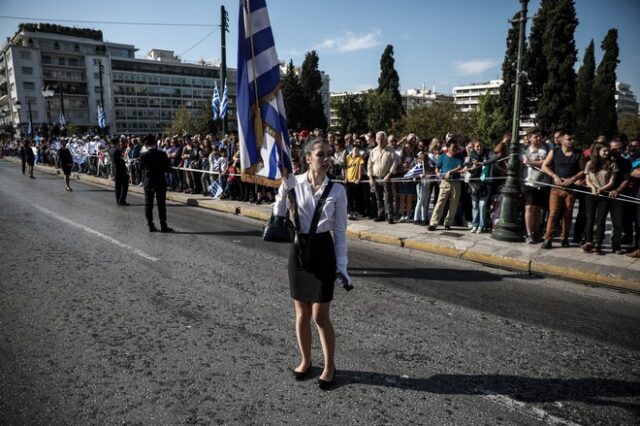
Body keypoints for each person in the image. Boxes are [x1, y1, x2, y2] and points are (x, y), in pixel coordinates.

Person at [273, 137, 350, 391]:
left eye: (330, 154)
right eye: (321, 154)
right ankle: (306, 360)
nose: (327, 158)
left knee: (320, 315)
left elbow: (340, 232)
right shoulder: (293, 182)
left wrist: (343, 266)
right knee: (302, 313)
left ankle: (329, 365)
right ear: (308, 158)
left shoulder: (337, 190)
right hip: (298, 250)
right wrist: (282, 190)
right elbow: (279, 216)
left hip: (323, 251)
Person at [541, 130, 585, 249]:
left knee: (567, 214)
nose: (572, 141)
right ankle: (548, 238)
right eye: (569, 139)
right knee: (553, 213)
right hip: (556, 188)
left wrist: (573, 178)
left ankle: (564, 238)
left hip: (570, 190)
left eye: (573, 139)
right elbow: (544, 166)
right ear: (561, 141)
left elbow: (583, 170)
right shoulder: (554, 152)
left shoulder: (578, 154)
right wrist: (554, 176)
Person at [583, 142, 618, 254]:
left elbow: (612, 181)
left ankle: (598, 244)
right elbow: (587, 180)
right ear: (597, 151)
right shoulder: (589, 163)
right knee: (590, 219)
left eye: (608, 151)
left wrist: (602, 189)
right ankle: (589, 242)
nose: (607, 153)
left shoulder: (612, 164)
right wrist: (593, 188)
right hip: (591, 194)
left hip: (604, 194)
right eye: (604, 151)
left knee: (601, 220)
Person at [520, 127, 550, 243]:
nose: (538, 138)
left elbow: (547, 162)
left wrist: (531, 162)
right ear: (529, 138)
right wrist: (519, 182)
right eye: (535, 136)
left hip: (543, 183)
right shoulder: (524, 150)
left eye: (540, 136)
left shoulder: (547, 148)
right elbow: (521, 166)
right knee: (529, 207)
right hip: (528, 182)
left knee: (538, 209)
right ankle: (529, 233)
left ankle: (535, 231)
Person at [427, 139, 465, 231]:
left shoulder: (460, 157)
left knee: (453, 204)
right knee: (440, 202)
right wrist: (437, 174)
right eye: (453, 147)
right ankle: (433, 223)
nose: (456, 149)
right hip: (445, 182)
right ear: (448, 147)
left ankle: (448, 223)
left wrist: (450, 172)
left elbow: (460, 167)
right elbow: (437, 168)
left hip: (456, 182)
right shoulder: (442, 156)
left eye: (457, 147)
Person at [139, 134, 174, 233]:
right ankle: (163, 225)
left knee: (148, 204)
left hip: (148, 181)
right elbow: (168, 168)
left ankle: (150, 225)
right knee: (161, 205)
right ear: (155, 143)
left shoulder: (143, 155)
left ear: (146, 145)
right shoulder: (162, 154)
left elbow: (140, 168)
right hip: (160, 181)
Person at [367, 131, 399, 224]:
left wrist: (389, 175)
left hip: (386, 177)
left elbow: (394, 164)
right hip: (376, 178)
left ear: (385, 139)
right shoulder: (373, 151)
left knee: (388, 198)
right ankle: (380, 215)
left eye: (382, 139)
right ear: (376, 140)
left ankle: (390, 216)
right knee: (378, 198)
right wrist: (370, 177)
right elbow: (369, 165)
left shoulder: (391, 150)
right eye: (378, 139)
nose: (380, 141)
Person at [110, 137, 130, 206]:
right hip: (120, 170)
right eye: (118, 141)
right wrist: (126, 170)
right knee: (124, 185)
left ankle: (118, 200)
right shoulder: (116, 150)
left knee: (117, 186)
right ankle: (122, 200)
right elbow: (121, 161)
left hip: (115, 170)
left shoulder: (111, 150)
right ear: (116, 142)